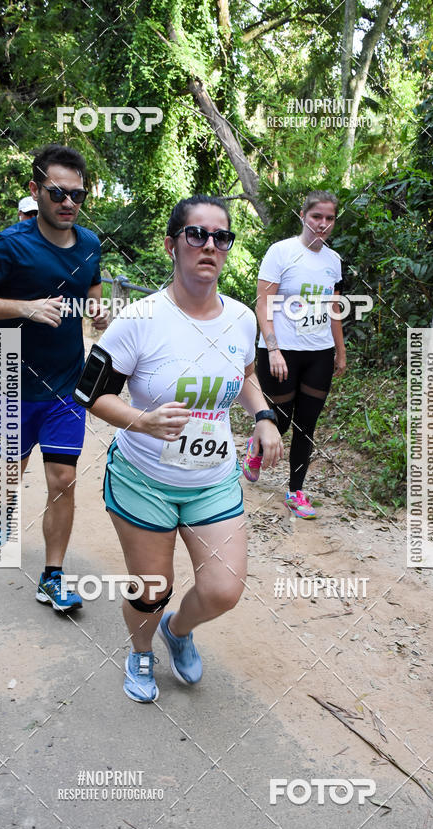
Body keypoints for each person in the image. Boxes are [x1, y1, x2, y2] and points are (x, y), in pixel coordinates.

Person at [85, 195, 284, 703]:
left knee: (223, 590)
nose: (210, 246)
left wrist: (262, 416)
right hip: (143, 479)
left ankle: (177, 631)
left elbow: (243, 375)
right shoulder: (140, 319)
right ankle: (141, 651)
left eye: (221, 238)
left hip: (212, 479)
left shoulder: (240, 319)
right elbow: (92, 394)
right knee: (151, 590)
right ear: (172, 244)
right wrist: (141, 420)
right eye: (197, 234)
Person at [0, 144, 108, 612]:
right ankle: (2, 528)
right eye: (57, 192)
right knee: (9, 476)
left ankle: (53, 575)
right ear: (35, 191)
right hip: (12, 379)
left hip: (66, 383)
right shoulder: (11, 245)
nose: (68, 202)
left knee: (63, 478)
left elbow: (92, 286)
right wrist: (25, 308)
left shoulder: (88, 243)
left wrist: (97, 311)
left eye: (77, 195)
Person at [251, 189, 346, 519]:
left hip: (319, 352)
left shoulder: (332, 260)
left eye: (329, 218)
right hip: (281, 351)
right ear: (303, 216)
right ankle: (257, 443)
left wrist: (340, 350)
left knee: (307, 425)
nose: (322, 223)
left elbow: (333, 307)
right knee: (282, 420)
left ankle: (296, 492)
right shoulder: (281, 252)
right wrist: (273, 348)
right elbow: (264, 302)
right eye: (316, 216)